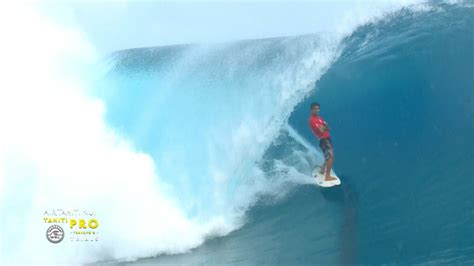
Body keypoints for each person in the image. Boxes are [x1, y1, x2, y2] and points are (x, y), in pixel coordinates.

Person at [309, 102, 337, 182]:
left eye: (318, 108)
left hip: (327, 138)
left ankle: (322, 169)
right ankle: (327, 176)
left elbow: (328, 129)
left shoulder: (319, 118)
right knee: (331, 157)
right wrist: (324, 126)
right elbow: (321, 130)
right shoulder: (312, 120)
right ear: (311, 110)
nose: (317, 110)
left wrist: (324, 126)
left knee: (328, 156)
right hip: (323, 139)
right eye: (315, 109)